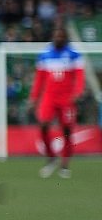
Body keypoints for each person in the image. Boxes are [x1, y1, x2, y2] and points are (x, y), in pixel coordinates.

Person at [30, 26, 85, 178]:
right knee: (43, 125)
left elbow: (80, 76)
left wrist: (78, 92)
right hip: (49, 97)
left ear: (65, 37)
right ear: (53, 36)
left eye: (61, 36)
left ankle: (65, 165)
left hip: (67, 99)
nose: (58, 38)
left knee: (67, 130)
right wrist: (34, 97)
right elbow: (39, 79)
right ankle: (51, 157)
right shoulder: (44, 55)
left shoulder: (74, 55)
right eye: (56, 35)